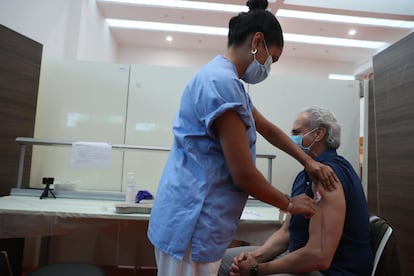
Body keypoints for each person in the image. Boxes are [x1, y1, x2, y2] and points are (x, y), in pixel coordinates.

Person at [147, 1, 338, 275]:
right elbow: (244, 175)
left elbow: (268, 129)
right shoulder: (221, 84)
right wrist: (289, 203)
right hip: (194, 221)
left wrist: (307, 161)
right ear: (257, 41)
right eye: (271, 58)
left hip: (193, 216)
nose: (268, 67)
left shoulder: (227, 82)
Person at [220, 106, 373, 276]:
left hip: (331, 271)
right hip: (300, 256)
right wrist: (253, 258)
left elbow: (319, 256)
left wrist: (257, 269)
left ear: (318, 134)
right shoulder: (304, 176)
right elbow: (287, 232)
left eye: (297, 132)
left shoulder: (328, 177)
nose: (291, 138)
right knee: (220, 262)